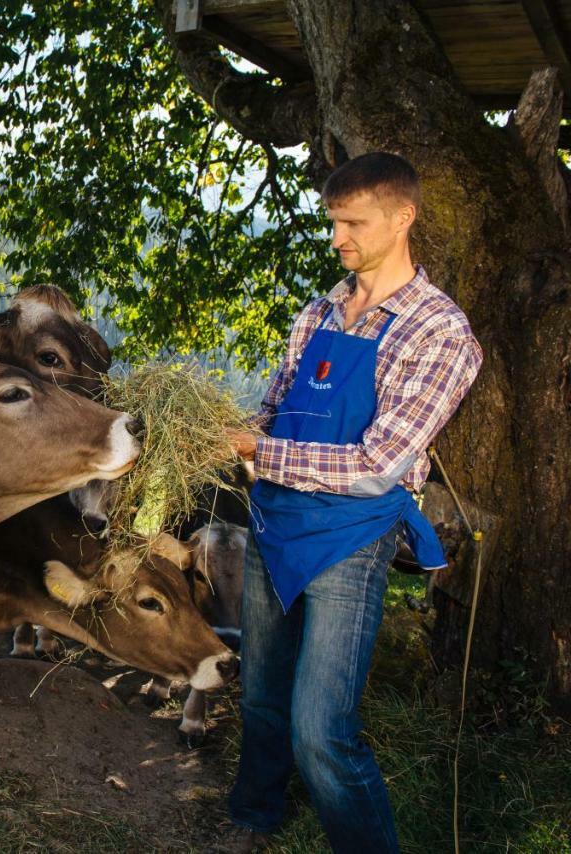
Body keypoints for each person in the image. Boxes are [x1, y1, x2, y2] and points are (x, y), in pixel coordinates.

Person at [224, 152, 483, 853]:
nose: (337, 237)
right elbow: (276, 409)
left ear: (403, 218)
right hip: (276, 520)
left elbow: (378, 467)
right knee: (261, 694)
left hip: (350, 535)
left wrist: (256, 454)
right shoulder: (318, 314)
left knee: (321, 729)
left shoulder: (439, 332)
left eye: (352, 222)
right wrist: (234, 431)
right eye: (333, 221)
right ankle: (255, 814)